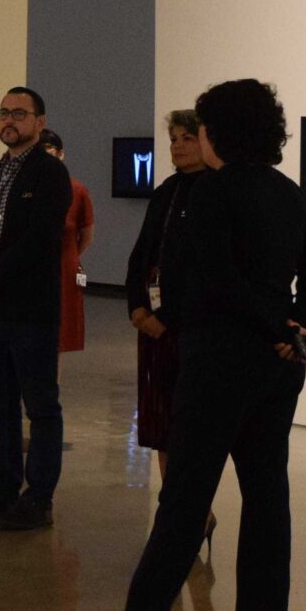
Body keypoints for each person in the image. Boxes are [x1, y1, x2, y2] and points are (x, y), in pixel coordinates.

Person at [76, 78, 306, 611]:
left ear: (220, 132)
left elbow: (214, 279)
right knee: (267, 495)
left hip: (220, 362)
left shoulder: (213, 192)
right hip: (276, 367)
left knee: (186, 495)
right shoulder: (285, 190)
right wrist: (293, 324)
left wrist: (271, 324)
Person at [0, 87, 73, 531]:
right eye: (3, 112)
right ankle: (2, 488)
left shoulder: (50, 173)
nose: (9, 120)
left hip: (29, 310)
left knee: (40, 406)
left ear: (39, 122)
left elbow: (40, 238)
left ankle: (38, 497)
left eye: (19, 114)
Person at [124, 111, 205, 476]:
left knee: (190, 419)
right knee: (160, 418)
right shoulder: (165, 192)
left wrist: (167, 317)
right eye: (174, 139)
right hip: (153, 322)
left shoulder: (215, 191)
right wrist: (137, 308)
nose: (178, 146)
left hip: (190, 327)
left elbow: (204, 268)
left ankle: (191, 500)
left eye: (187, 138)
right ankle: (171, 496)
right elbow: (142, 253)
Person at [41, 131, 96, 355]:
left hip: (64, 265)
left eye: (48, 151)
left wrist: (70, 253)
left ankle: (52, 376)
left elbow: (87, 235)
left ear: (61, 154)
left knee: (59, 334)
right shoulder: (25, 188)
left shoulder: (77, 190)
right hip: (33, 265)